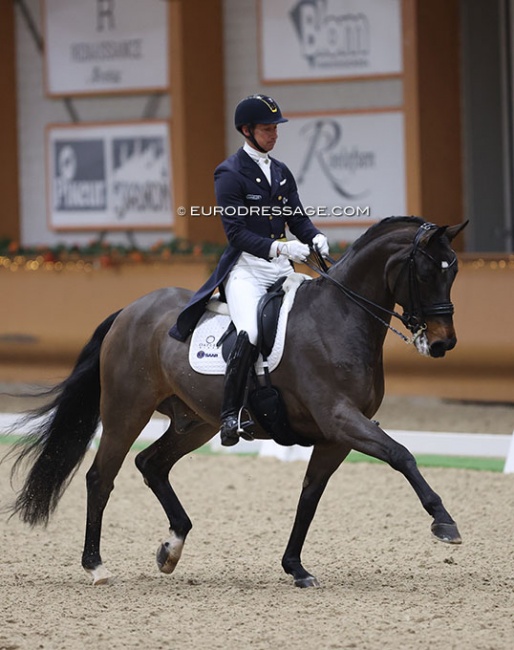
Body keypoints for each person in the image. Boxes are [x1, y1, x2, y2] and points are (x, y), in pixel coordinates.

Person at [169, 94, 329, 446]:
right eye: (267, 129)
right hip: (247, 271)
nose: (274, 135)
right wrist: (281, 247)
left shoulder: (282, 172)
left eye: (275, 129)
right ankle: (230, 415)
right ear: (247, 130)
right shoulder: (229, 173)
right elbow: (236, 233)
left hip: (281, 269)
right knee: (251, 333)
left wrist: (315, 237)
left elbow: (297, 218)